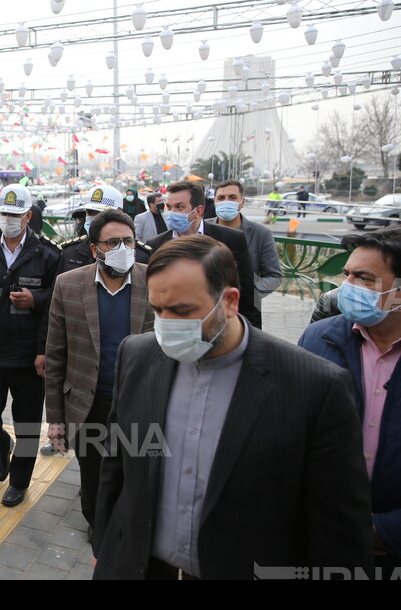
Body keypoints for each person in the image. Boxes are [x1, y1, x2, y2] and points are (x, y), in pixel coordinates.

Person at [92, 234, 373, 579]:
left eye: (182, 311)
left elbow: (338, 528)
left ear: (229, 300)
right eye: (157, 310)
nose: (166, 324)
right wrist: (104, 546)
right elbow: (117, 463)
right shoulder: (136, 354)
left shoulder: (315, 386)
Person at [44, 209, 154, 540]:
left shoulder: (155, 280)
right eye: (112, 242)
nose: (122, 247)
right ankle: (96, 523)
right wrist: (56, 418)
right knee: (92, 474)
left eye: (128, 241)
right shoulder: (68, 284)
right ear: (95, 249)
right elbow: (56, 355)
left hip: (139, 402)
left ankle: (129, 526)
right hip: (88, 404)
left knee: (136, 472)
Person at [298, 227, 401, 570]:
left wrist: (385, 531)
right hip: (322, 540)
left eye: (365, 278)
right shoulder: (318, 339)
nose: (348, 287)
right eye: (347, 275)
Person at [0, 183, 60, 507]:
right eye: (3, 214)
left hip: (29, 357)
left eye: (14, 214)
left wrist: (35, 299)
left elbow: (57, 305)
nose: (7, 219)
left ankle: (20, 481)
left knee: (27, 426)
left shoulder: (49, 254)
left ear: (27, 216)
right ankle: (0, 448)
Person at [147, 180, 261, 328]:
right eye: (169, 207)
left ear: (199, 211)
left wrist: (250, 339)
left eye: (179, 207)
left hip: (219, 326)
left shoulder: (231, 239)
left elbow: (246, 294)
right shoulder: (155, 245)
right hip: (173, 328)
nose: (172, 213)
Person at [207, 180, 283, 303]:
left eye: (232, 197)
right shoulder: (202, 230)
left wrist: (248, 293)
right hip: (206, 307)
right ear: (215, 202)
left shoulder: (261, 234)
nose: (226, 201)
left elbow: (274, 276)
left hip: (245, 310)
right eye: (221, 198)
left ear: (242, 203)